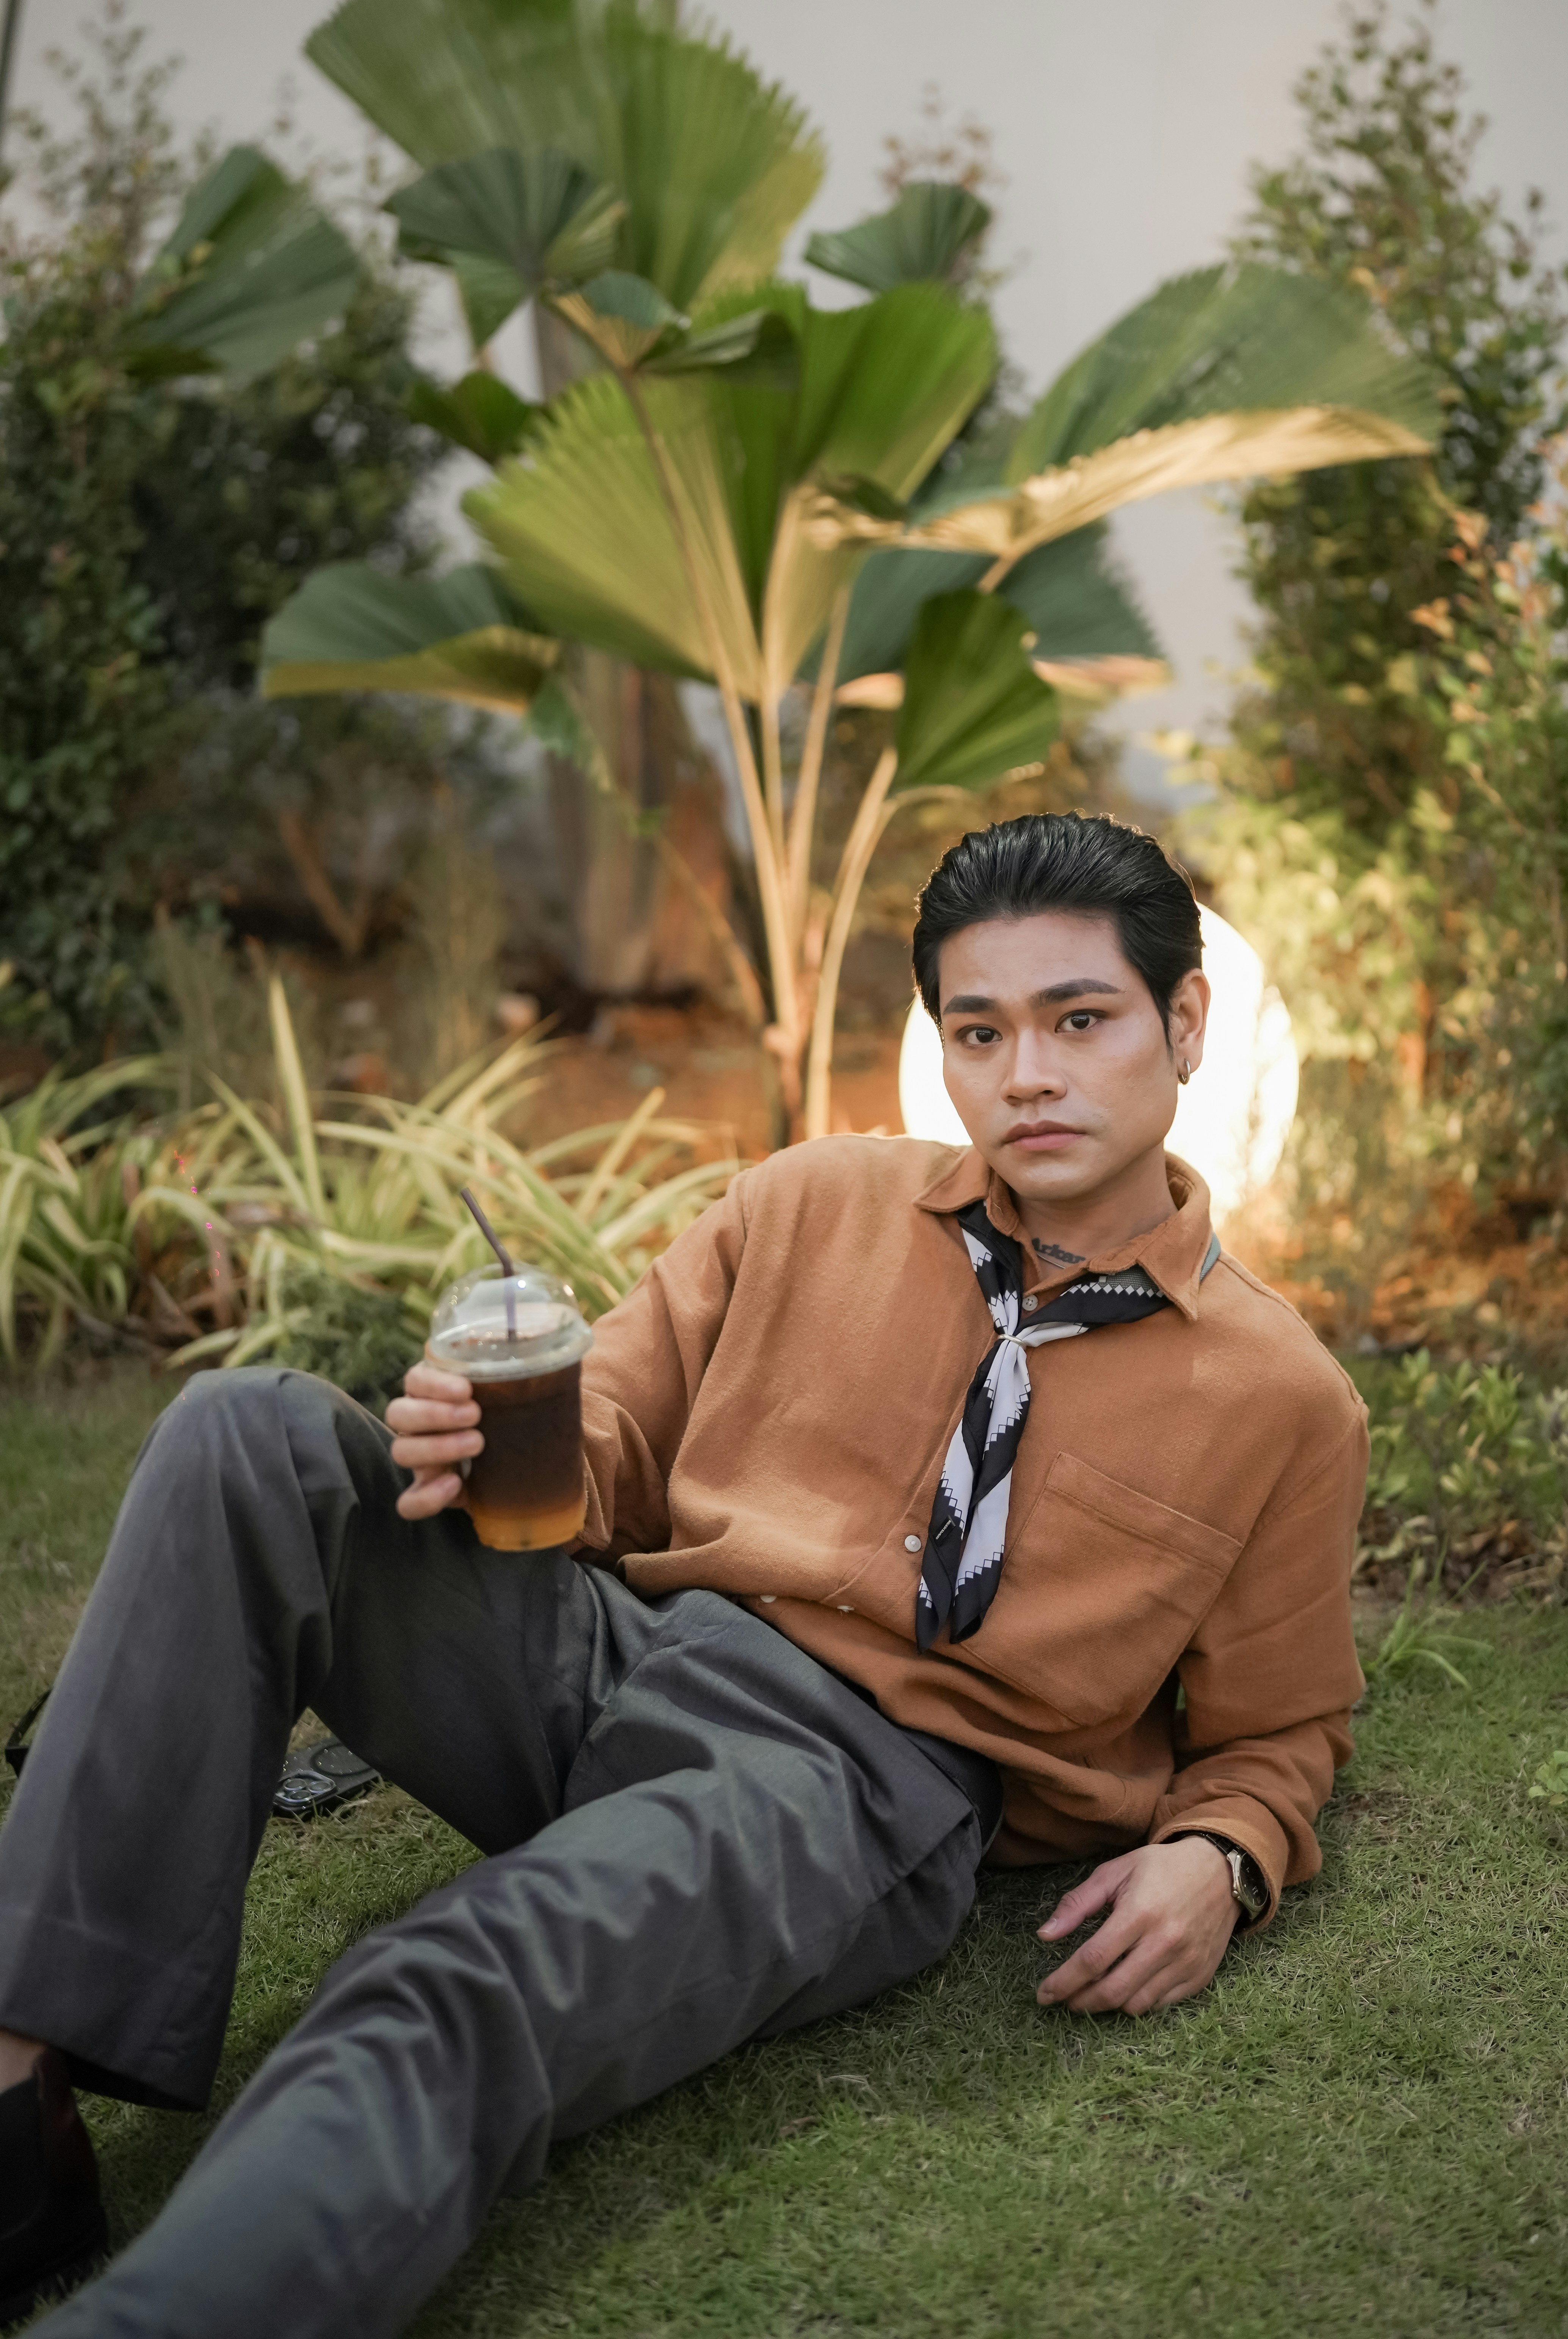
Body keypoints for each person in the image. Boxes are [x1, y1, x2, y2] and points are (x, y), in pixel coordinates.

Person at [0, 813, 1367, 2337]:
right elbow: (615, 1434)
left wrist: (1228, 1856)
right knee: (245, 1430)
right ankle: (13, 2103)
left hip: (846, 1785)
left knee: (446, 1981)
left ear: (1185, 1025)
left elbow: (1279, 1724)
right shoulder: (814, 1200)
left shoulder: (1281, 1399)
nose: (1027, 1075)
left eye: (1080, 1020)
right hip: (619, 1646)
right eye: (980, 1030)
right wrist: (497, 1441)